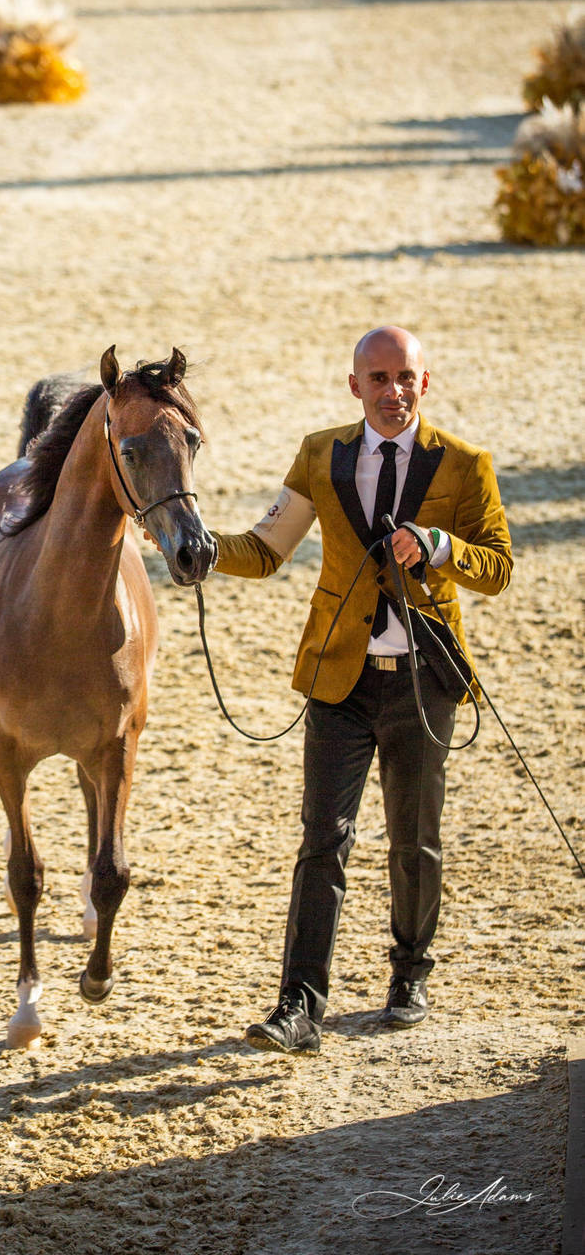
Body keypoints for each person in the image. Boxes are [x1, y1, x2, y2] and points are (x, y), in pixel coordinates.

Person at [208, 327, 512, 1055]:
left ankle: (409, 973)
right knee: (323, 840)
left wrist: (439, 547)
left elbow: (498, 567)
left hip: (422, 682)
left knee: (415, 842)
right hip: (337, 680)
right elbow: (265, 549)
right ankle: (298, 1006)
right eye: (378, 378)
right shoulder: (320, 454)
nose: (392, 390)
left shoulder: (464, 464)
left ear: (424, 382)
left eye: (404, 377)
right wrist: (199, 547)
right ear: (355, 386)